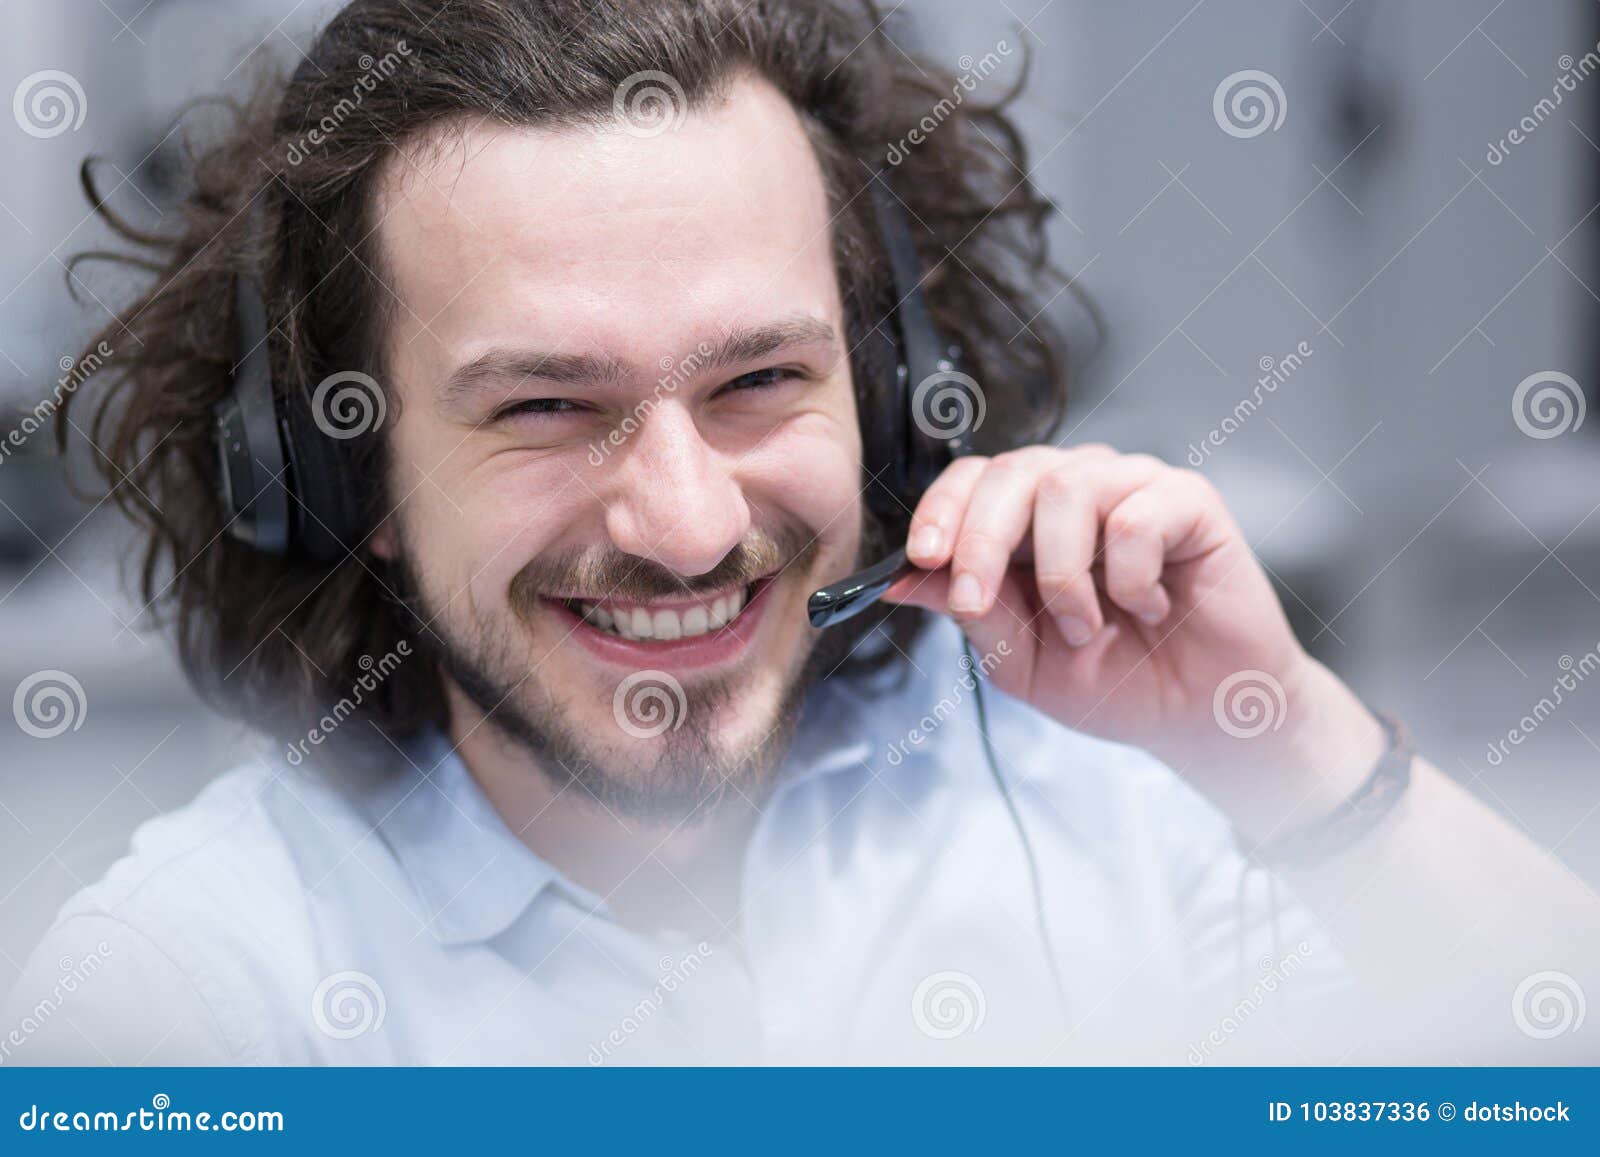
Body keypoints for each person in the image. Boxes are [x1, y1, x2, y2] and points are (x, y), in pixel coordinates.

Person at [4, 0, 1596, 1065]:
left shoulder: (1114, 807)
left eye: (760, 380)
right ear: (337, 475)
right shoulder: (193, 986)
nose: (689, 525)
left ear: (890, 402)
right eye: (546, 406)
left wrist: (1282, 740)